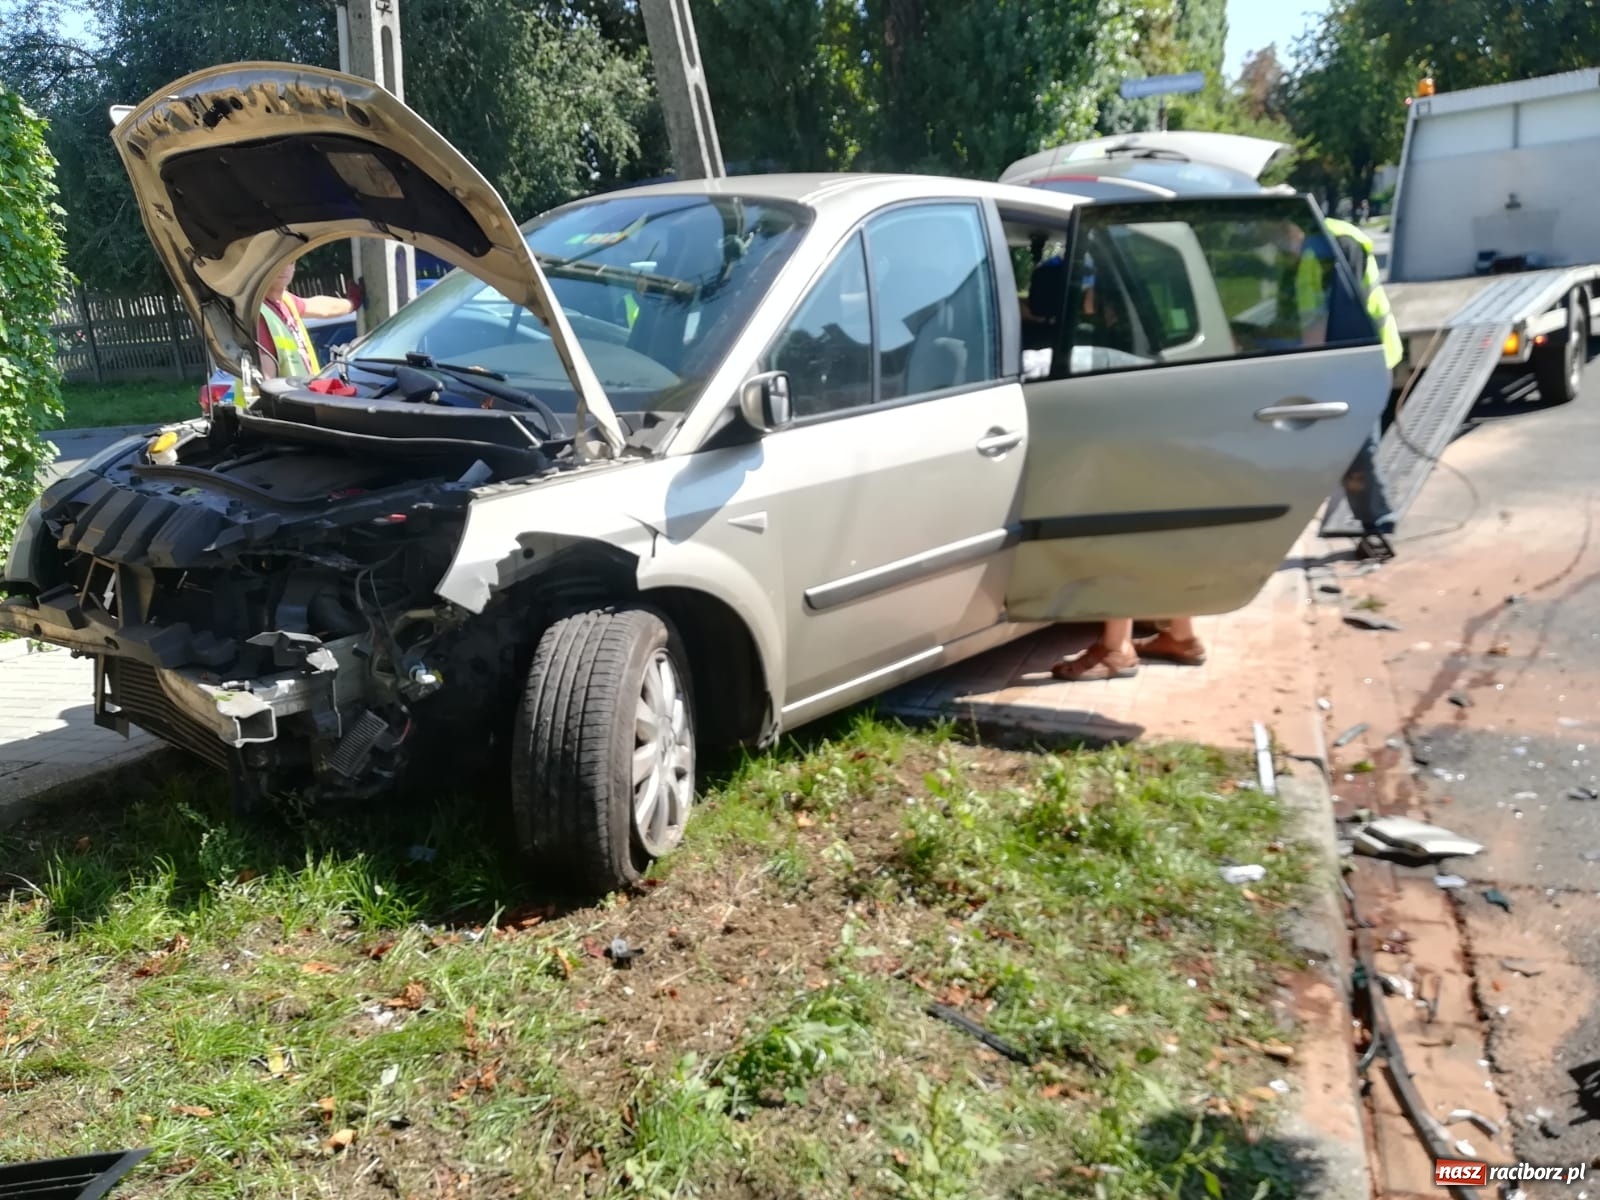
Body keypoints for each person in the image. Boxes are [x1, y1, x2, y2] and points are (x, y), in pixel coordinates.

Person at [1323, 215, 1404, 542]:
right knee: (1349, 446)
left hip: (1364, 360)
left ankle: (1379, 523)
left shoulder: (1340, 241)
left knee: (1358, 448)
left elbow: (1344, 309)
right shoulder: (1301, 248)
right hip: (1339, 361)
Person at [257, 261, 364, 378]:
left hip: (301, 387)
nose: (284, 267)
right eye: (277, 262)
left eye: (291, 262)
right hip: (286, 389)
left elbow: (321, 307)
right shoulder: (261, 315)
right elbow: (267, 379)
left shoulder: (287, 302)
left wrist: (351, 303)